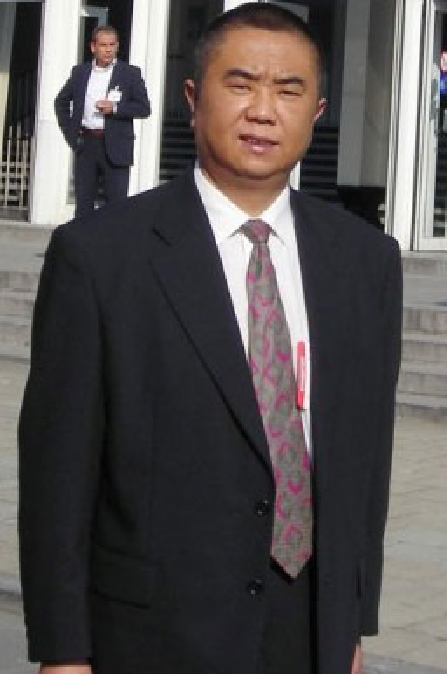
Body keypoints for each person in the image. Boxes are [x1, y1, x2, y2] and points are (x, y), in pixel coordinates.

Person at [18, 4, 402, 674]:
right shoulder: (102, 257)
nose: (263, 111)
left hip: (308, 627)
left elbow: (366, 459)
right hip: (157, 631)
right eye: (241, 84)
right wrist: (63, 650)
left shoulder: (365, 260)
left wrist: (351, 620)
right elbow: (58, 475)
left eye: (288, 91)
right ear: (193, 98)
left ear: (317, 112)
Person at [54, 25, 151, 217]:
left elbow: (144, 108)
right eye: (103, 45)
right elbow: (61, 102)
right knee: (83, 206)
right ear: (93, 47)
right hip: (87, 144)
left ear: (117, 47)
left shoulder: (129, 73)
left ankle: (113, 238)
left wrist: (115, 108)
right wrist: (71, 133)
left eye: (112, 45)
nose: (108, 50)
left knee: (116, 206)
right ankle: (84, 237)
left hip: (116, 146)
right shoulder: (80, 73)